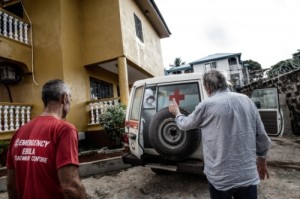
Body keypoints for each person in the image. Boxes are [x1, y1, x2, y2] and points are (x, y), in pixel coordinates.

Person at [169, 70, 272, 199]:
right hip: (247, 175)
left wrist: (177, 112)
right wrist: (262, 159)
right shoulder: (246, 100)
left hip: (221, 178)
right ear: (225, 84)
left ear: (207, 87)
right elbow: (261, 135)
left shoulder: (207, 105)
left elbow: (185, 124)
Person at [6, 79, 87, 199]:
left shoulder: (19, 132)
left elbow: (11, 185)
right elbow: (70, 186)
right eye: (70, 98)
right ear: (64, 98)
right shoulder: (64, 130)